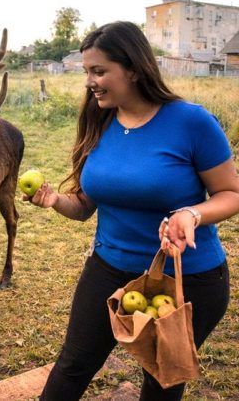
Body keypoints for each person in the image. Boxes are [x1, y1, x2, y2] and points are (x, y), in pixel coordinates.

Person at [26, 21, 239, 400]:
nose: (90, 82)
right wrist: (55, 200)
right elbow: (84, 207)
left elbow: (230, 193)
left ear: (134, 69)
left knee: (161, 382)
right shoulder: (97, 121)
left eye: (99, 71)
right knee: (73, 367)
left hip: (186, 279)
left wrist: (191, 213)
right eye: (86, 72)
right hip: (108, 270)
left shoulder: (191, 122)